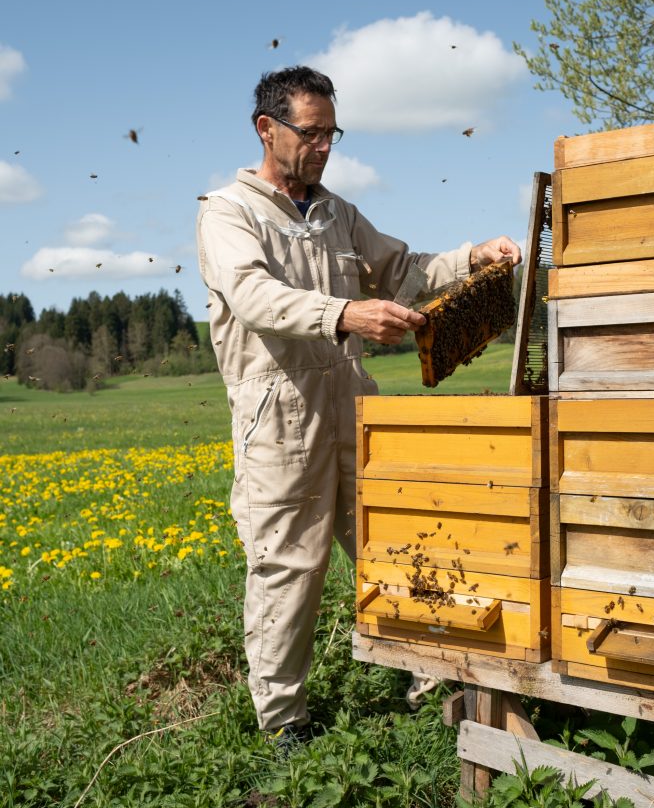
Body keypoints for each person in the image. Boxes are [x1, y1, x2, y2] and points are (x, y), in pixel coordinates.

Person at [196, 66, 521, 751]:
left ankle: (427, 674)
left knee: (395, 543)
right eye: (310, 133)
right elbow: (252, 296)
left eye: (330, 134)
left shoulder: (337, 213)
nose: (323, 146)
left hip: (354, 407)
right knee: (287, 567)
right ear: (267, 129)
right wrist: (346, 313)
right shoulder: (228, 212)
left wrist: (473, 257)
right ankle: (284, 721)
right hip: (278, 418)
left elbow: (402, 270)